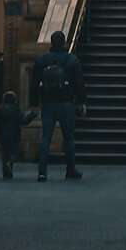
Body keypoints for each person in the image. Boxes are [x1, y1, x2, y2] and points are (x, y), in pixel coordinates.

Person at [32, 30, 86, 181]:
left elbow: (34, 83)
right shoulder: (71, 60)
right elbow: (79, 83)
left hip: (48, 104)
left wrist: (34, 102)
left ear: (51, 42)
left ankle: (42, 172)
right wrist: (81, 101)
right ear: (64, 43)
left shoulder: (42, 60)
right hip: (66, 104)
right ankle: (70, 169)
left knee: (46, 138)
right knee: (69, 138)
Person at [0, 91, 34, 180]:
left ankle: (6, 174)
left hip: (3, 135)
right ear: (14, 100)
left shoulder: (0, 109)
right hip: (14, 135)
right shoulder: (16, 109)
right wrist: (32, 115)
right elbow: (24, 121)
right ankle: (10, 162)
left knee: (5, 154)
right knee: (15, 153)